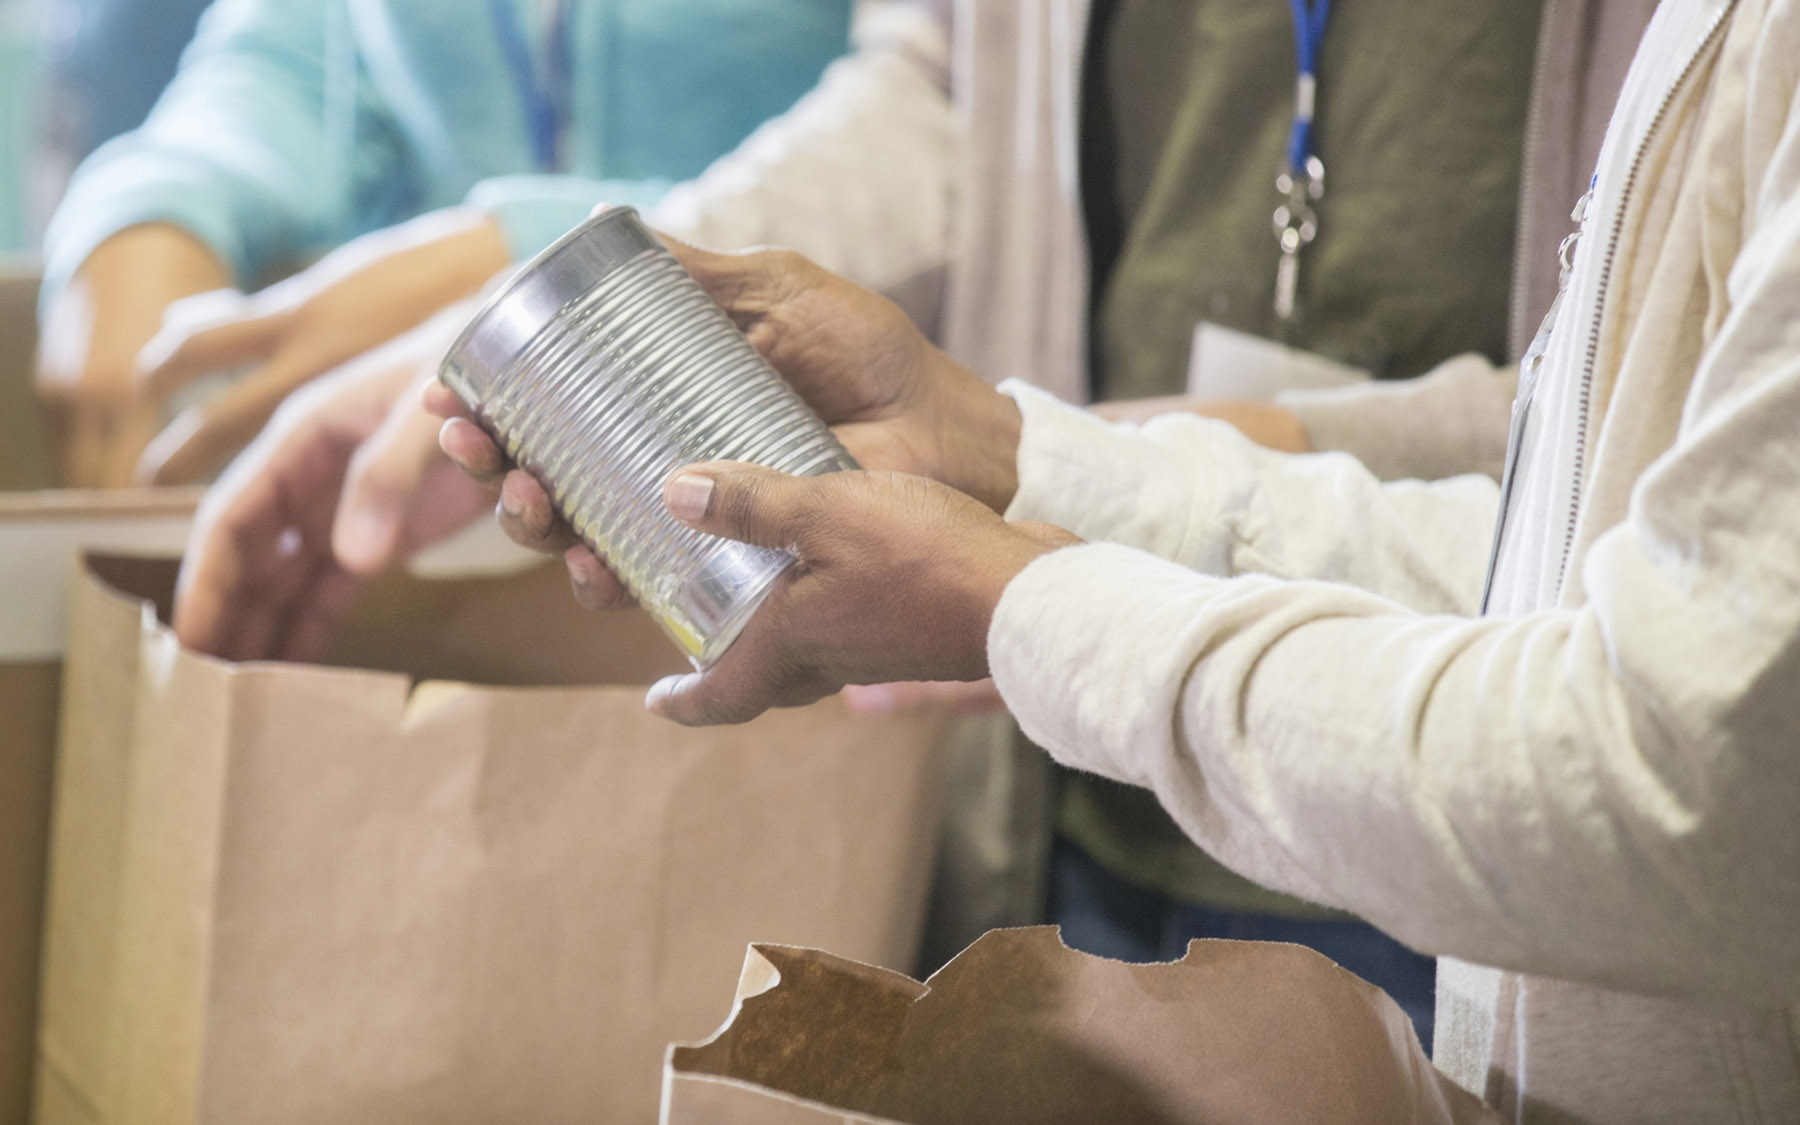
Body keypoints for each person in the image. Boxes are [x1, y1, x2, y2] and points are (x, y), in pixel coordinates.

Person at [167, 0, 1650, 1037]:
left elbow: (1637, 427)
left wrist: (1047, 485)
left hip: (1480, 860)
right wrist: (604, 336)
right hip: (1061, 799)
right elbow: (951, 86)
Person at [434, 0, 1800, 1118]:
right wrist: (1015, 455)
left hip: (1471, 873)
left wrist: (1018, 600)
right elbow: (1558, 554)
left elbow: (1672, 773)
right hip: (1131, 796)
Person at [33, 0, 860, 487]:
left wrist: (536, 265)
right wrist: (161, 200)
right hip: (442, 474)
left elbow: (937, 132)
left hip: (816, 457)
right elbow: (307, 49)